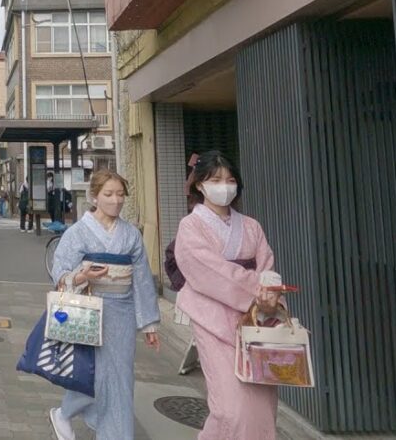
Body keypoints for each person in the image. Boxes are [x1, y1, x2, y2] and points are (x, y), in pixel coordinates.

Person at [174, 150, 283, 440]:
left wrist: (270, 294)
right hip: (213, 321)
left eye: (230, 179)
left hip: (257, 322)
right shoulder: (191, 227)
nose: (224, 186)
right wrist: (256, 291)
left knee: (261, 407)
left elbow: (266, 267)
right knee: (229, 409)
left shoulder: (251, 226)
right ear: (200, 185)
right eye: (216, 180)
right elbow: (207, 271)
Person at [48, 171, 161, 440]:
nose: (116, 200)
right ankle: (64, 413)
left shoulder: (131, 235)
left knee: (122, 379)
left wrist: (149, 323)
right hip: (88, 308)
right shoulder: (78, 232)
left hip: (121, 312)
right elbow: (60, 270)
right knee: (94, 374)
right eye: (108, 194)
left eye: (120, 195)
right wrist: (81, 276)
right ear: (94, 196)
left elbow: (142, 279)